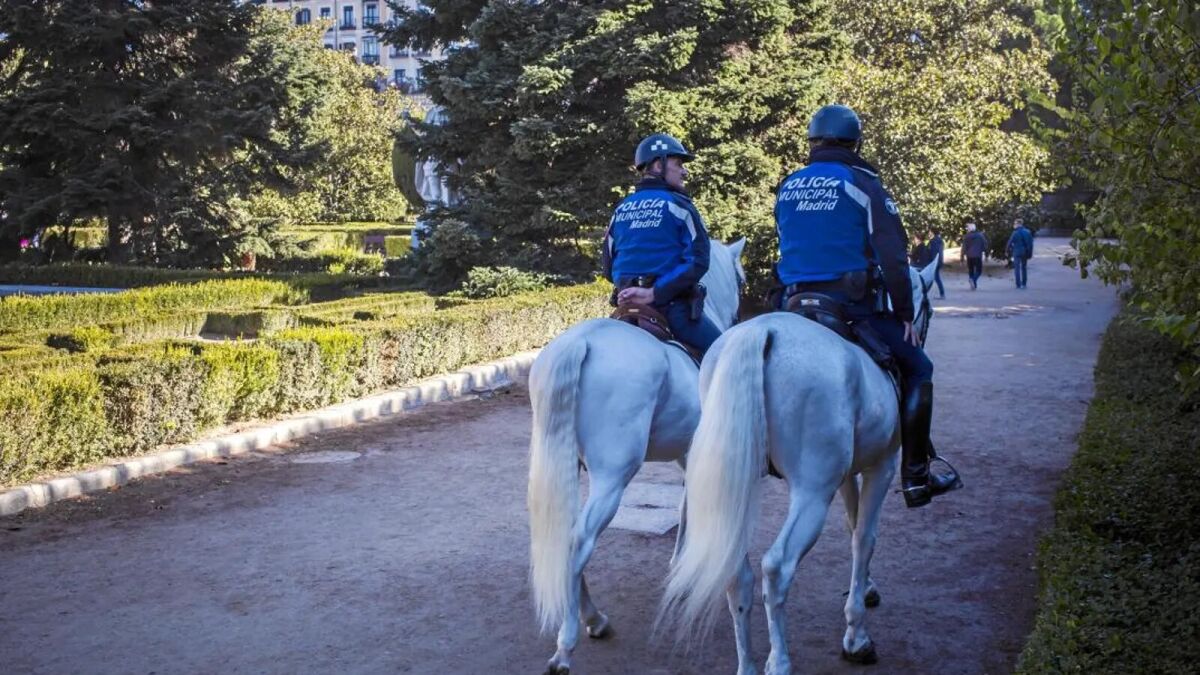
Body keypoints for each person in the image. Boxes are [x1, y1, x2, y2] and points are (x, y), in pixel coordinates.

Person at [775, 103, 961, 508]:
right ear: (855, 143)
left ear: (813, 142)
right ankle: (917, 476)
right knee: (920, 368)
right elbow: (892, 257)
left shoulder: (788, 185)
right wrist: (905, 313)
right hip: (850, 304)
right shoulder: (863, 183)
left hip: (794, 301)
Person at [601, 133, 721, 356]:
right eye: (679, 164)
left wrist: (628, 289)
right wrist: (653, 293)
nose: (684, 171)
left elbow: (608, 267)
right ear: (659, 165)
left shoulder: (621, 209)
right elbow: (698, 261)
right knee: (724, 352)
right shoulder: (680, 206)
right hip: (671, 309)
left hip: (626, 308)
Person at [1006, 218, 1035, 288]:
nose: (1014, 225)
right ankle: (1024, 283)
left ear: (1018, 224)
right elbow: (1031, 243)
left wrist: (1007, 250)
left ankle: (1018, 284)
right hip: (1025, 252)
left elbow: (1009, 242)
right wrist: (1030, 252)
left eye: (1015, 223)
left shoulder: (1015, 233)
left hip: (1017, 252)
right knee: (1024, 267)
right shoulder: (1028, 232)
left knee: (1017, 268)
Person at [960, 222, 988, 290]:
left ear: (969, 229)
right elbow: (985, 244)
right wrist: (986, 254)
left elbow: (963, 248)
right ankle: (973, 279)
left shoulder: (966, 236)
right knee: (979, 270)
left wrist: (962, 258)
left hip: (969, 256)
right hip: (977, 255)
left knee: (971, 270)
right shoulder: (980, 235)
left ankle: (973, 285)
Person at [928, 228, 946, 298]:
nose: (929, 233)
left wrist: (930, 262)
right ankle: (942, 293)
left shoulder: (933, 241)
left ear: (933, 232)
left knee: (936, 278)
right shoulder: (940, 240)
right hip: (940, 260)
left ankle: (942, 294)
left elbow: (932, 252)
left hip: (935, 261)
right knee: (936, 277)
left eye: (930, 232)